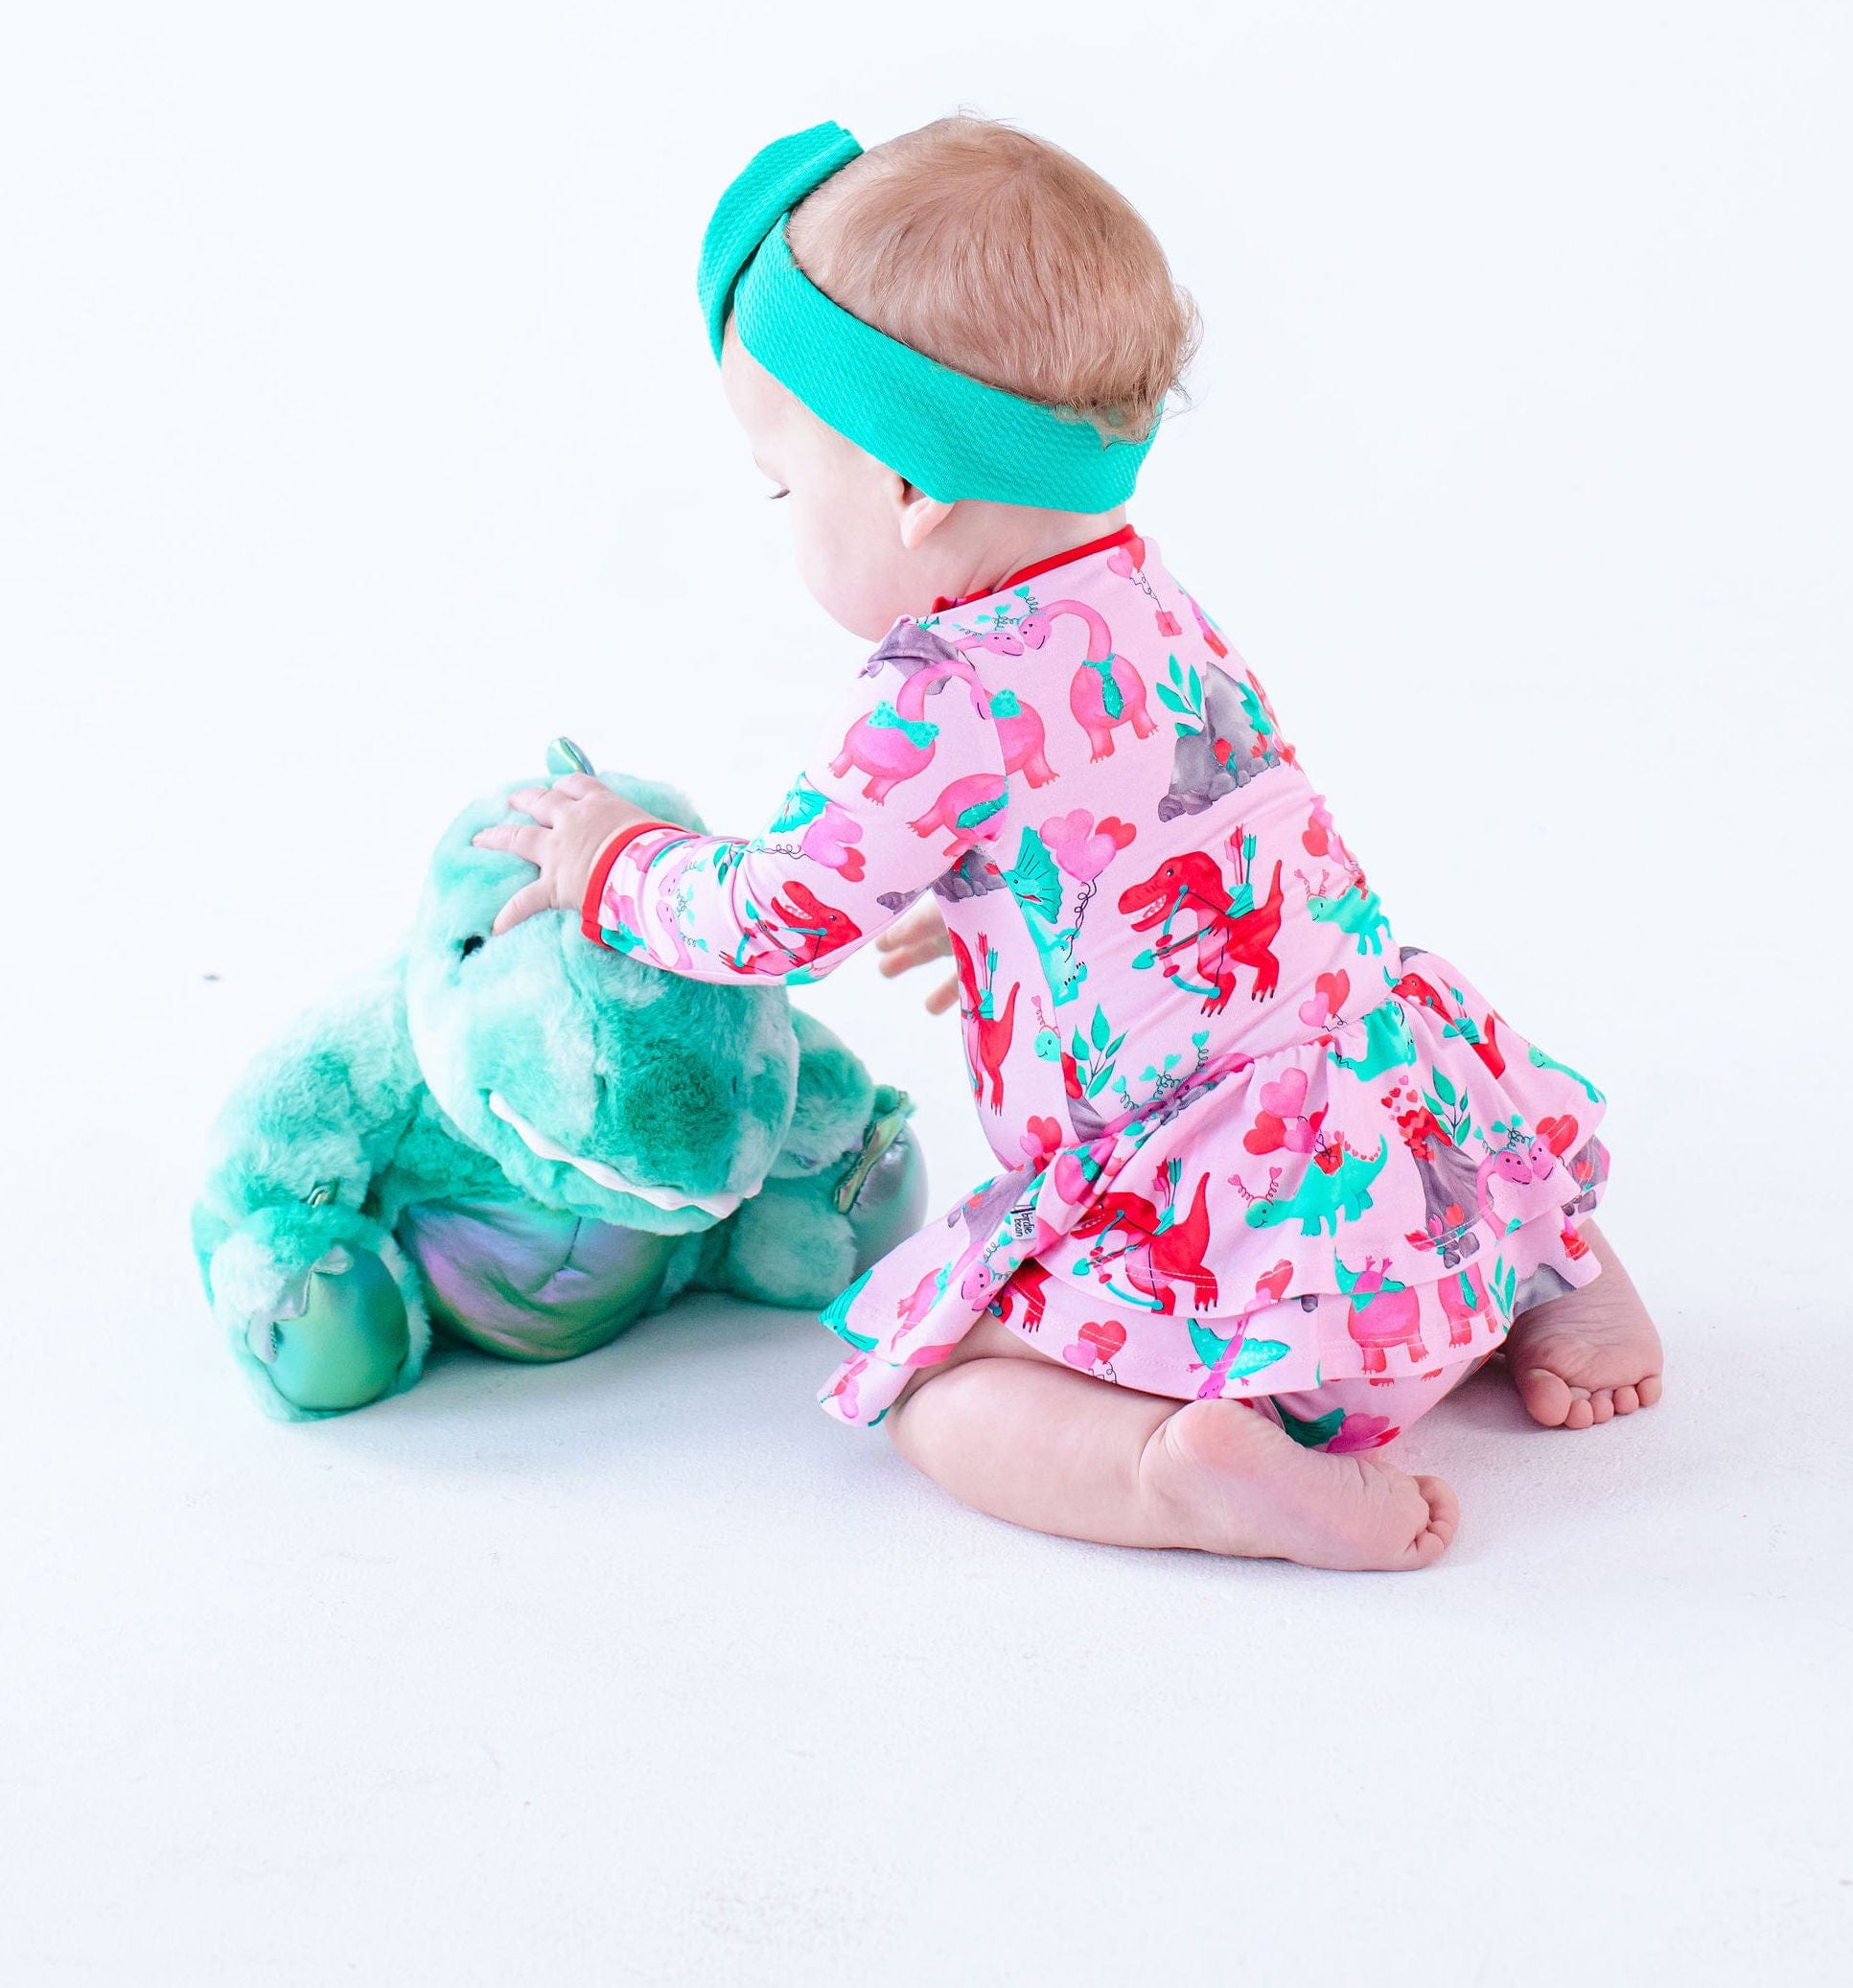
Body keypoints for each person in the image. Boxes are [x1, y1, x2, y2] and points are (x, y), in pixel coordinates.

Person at [476, 117, 1663, 1570]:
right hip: (1420, 1211)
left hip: (1251, 1279)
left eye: (786, 486)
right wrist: (998, 912)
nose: (783, 520)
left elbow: (781, 913)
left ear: (909, 490)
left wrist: (616, 858)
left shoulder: (935, 697)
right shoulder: (1142, 600)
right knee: (1413, 1086)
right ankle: (1560, 1274)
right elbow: (1167, 837)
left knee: (931, 1386)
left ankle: (1179, 1467)